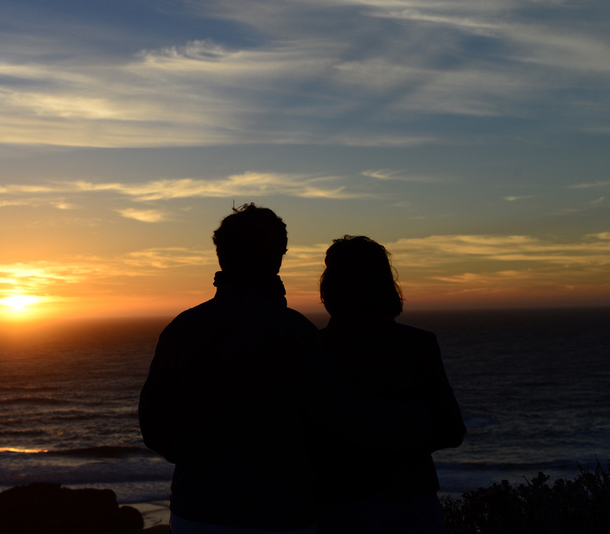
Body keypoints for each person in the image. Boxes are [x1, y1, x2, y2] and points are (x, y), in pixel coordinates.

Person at [139, 206, 432, 533]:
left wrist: (203, 460)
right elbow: (343, 415)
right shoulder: (296, 334)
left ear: (221, 255)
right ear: (278, 257)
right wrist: (422, 419)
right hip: (281, 513)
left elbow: (155, 428)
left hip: (194, 512)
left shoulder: (181, 330)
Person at [316, 235, 466, 534]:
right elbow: (451, 429)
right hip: (412, 498)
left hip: (339, 503)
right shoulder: (418, 345)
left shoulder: (314, 349)